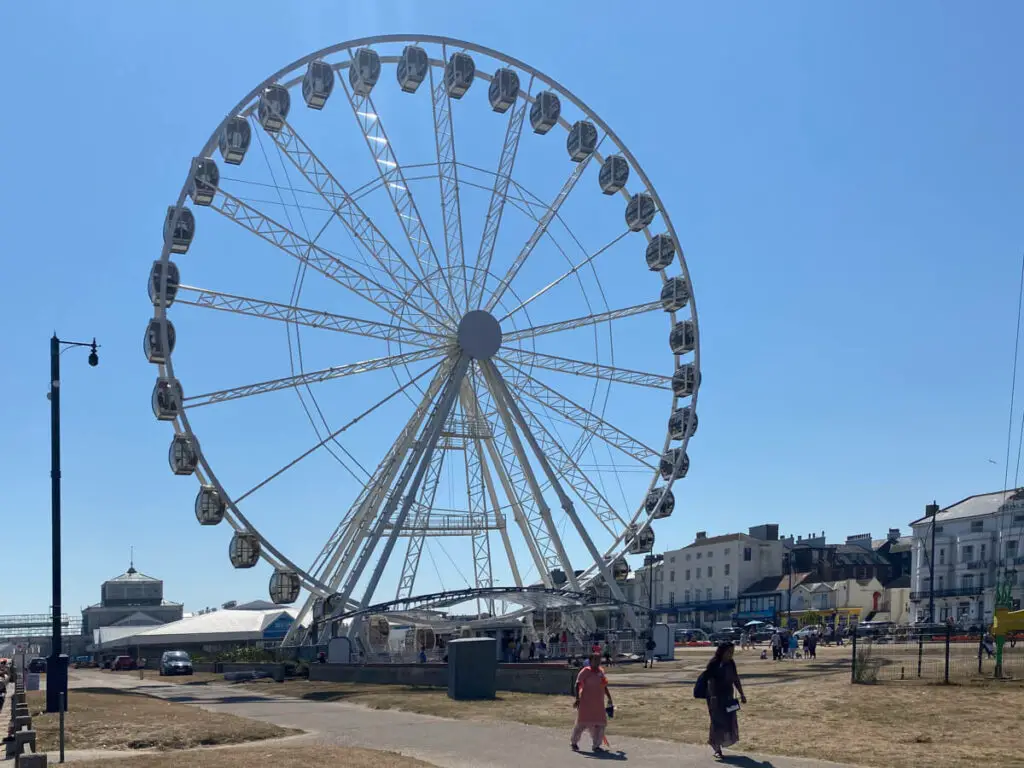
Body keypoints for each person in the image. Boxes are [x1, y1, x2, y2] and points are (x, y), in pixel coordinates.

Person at [704, 642, 746, 760]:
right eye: (729, 652)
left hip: (728, 696)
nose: (731, 654)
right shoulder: (714, 663)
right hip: (715, 696)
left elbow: (735, 678)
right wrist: (712, 697)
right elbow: (710, 681)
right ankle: (716, 747)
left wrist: (742, 694)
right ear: (722, 651)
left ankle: (720, 742)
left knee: (728, 720)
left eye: (732, 652)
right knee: (717, 721)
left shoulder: (731, 663)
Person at [571, 651, 614, 753]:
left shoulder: (601, 671)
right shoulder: (586, 671)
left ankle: (596, 745)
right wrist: (577, 699)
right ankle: (574, 742)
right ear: (590, 661)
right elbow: (577, 684)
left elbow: (604, 685)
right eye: (595, 659)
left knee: (600, 724)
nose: (598, 661)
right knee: (581, 723)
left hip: (598, 703)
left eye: (599, 659)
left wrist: (609, 697)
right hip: (586, 702)